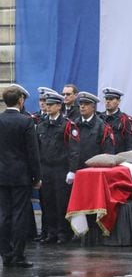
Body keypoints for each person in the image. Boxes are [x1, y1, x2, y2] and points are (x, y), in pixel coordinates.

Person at [0, 85, 41, 268]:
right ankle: (18, 255)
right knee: (19, 215)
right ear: (21, 100)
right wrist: (36, 176)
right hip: (20, 176)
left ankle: (6, 253)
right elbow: (33, 152)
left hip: (1, 175)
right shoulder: (26, 122)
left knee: (3, 214)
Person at [36, 93, 80, 244]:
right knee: (47, 202)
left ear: (59, 106)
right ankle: (51, 232)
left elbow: (73, 150)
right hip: (46, 168)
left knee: (61, 202)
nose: (47, 107)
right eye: (46, 105)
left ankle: (63, 233)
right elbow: (38, 149)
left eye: (51, 105)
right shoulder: (42, 125)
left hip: (61, 169)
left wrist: (72, 170)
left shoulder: (68, 125)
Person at [74, 92, 115, 169]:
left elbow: (108, 154)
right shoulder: (74, 124)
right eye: (81, 103)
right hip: (75, 168)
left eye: (86, 104)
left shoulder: (102, 127)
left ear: (93, 107)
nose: (82, 106)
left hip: (94, 169)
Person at [99, 88, 132, 153]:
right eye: (106, 99)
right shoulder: (99, 118)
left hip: (118, 158)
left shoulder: (125, 120)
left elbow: (131, 145)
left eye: (111, 99)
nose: (108, 101)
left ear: (118, 101)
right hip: (100, 158)